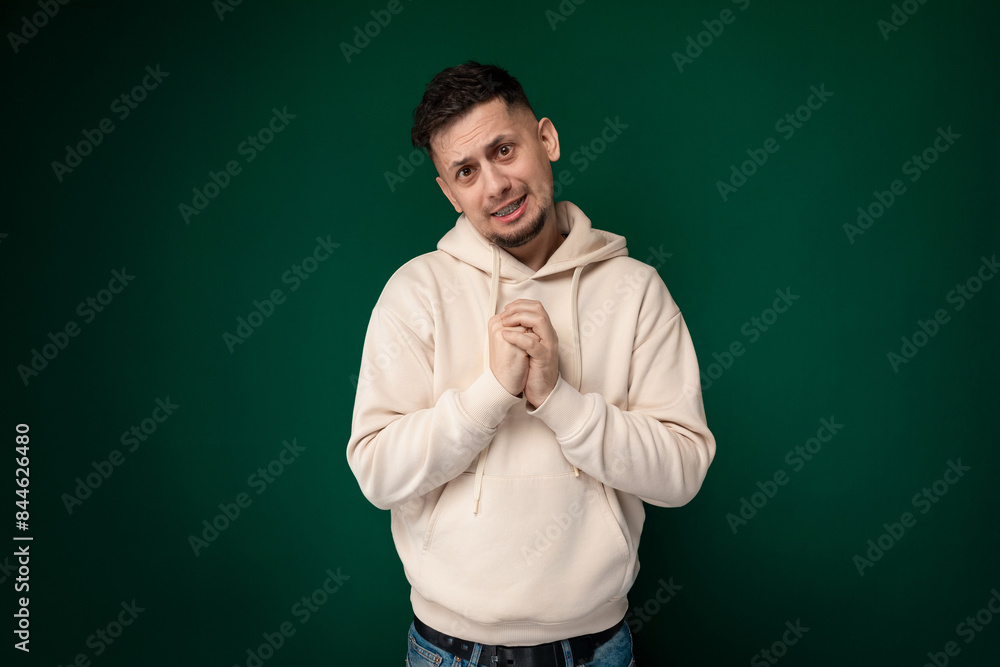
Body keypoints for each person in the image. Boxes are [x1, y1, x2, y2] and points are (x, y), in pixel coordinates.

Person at [346, 61, 716, 667]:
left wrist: (559, 402)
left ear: (546, 140)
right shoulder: (415, 291)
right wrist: (489, 395)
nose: (494, 185)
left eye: (504, 150)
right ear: (448, 191)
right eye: (467, 171)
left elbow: (682, 473)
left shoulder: (636, 291)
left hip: (594, 647)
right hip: (448, 649)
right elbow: (378, 475)